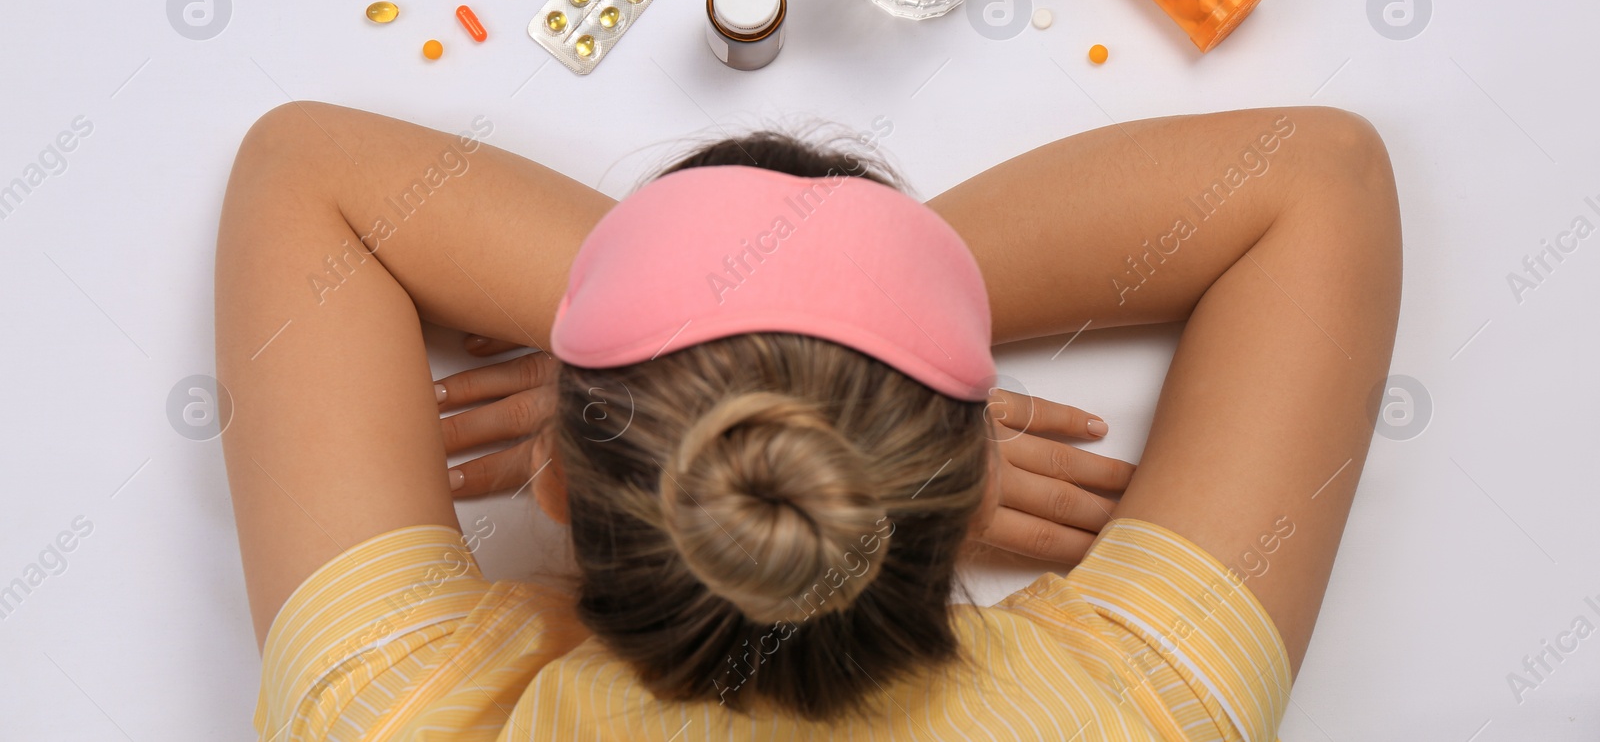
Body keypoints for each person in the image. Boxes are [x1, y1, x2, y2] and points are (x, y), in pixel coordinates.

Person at [216, 102, 1400, 741]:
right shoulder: (1137, 710)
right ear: (976, 484)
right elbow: (1317, 177)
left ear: (559, 485)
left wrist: (700, 339)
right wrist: (832, 325)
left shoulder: (385, 712)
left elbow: (305, 168)